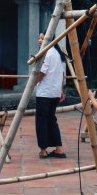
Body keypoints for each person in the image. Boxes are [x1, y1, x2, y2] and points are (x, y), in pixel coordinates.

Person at [35, 31, 67, 159]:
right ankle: (59, 148)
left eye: (42, 38)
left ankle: (43, 150)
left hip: (45, 93)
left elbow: (42, 72)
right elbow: (62, 74)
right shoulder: (58, 53)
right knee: (51, 120)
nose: (39, 40)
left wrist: (32, 82)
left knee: (42, 121)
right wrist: (60, 90)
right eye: (39, 38)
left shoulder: (47, 52)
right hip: (54, 92)